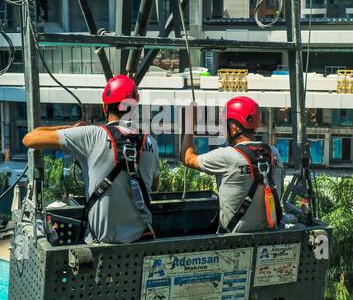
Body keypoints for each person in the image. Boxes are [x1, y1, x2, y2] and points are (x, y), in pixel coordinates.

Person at [23, 75, 160, 244]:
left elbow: (30, 139)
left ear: (105, 107)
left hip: (101, 247)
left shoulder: (92, 136)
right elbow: (154, 185)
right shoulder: (151, 143)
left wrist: (72, 128)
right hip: (140, 243)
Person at [181, 95, 284, 233]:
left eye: (225, 125)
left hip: (233, 239)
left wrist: (189, 123)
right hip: (271, 234)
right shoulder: (274, 154)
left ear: (234, 128)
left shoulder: (227, 156)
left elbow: (187, 158)